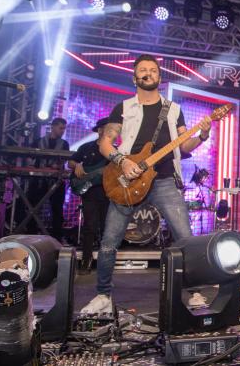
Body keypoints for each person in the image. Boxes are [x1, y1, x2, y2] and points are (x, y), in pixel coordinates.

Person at [80, 54, 212, 314]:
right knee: (109, 241)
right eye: (142, 70)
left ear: (159, 77)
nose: (148, 73)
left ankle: (196, 292)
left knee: (185, 238)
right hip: (128, 180)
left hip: (164, 180)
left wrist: (203, 135)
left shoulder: (173, 110)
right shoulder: (123, 107)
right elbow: (105, 143)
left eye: (153, 70)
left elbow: (184, 146)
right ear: (135, 78)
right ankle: (103, 295)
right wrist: (122, 162)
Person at [68, 117, 111, 274]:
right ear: (100, 130)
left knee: (107, 228)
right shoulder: (86, 147)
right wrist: (77, 165)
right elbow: (70, 162)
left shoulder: (115, 151)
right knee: (90, 226)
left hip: (107, 192)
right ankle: (86, 260)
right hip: (90, 193)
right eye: (108, 128)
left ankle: (105, 263)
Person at [17, 118, 69, 239]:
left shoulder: (64, 144)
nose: (62, 131)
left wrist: (57, 166)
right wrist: (34, 166)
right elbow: (29, 158)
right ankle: (31, 234)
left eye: (64, 128)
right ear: (53, 127)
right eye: (61, 128)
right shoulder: (38, 141)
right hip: (38, 180)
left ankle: (57, 237)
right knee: (33, 206)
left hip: (56, 181)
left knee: (57, 209)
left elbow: (64, 160)